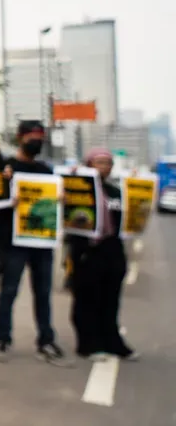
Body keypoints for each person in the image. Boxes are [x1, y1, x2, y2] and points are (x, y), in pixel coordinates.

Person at [0, 120, 69, 365]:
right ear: (20, 137)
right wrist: (6, 193)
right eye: (32, 137)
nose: (36, 142)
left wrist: (60, 199)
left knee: (43, 292)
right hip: (13, 241)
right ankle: (3, 338)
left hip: (41, 241)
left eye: (40, 138)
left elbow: (54, 202)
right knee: (9, 290)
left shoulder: (47, 171)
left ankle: (46, 339)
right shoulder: (6, 168)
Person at [69, 148, 136, 361]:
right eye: (99, 162)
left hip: (112, 250)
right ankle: (88, 345)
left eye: (108, 163)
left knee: (111, 299)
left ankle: (112, 342)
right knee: (87, 299)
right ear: (88, 164)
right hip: (87, 251)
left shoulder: (116, 191)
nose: (104, 167)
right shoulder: (76, 188)